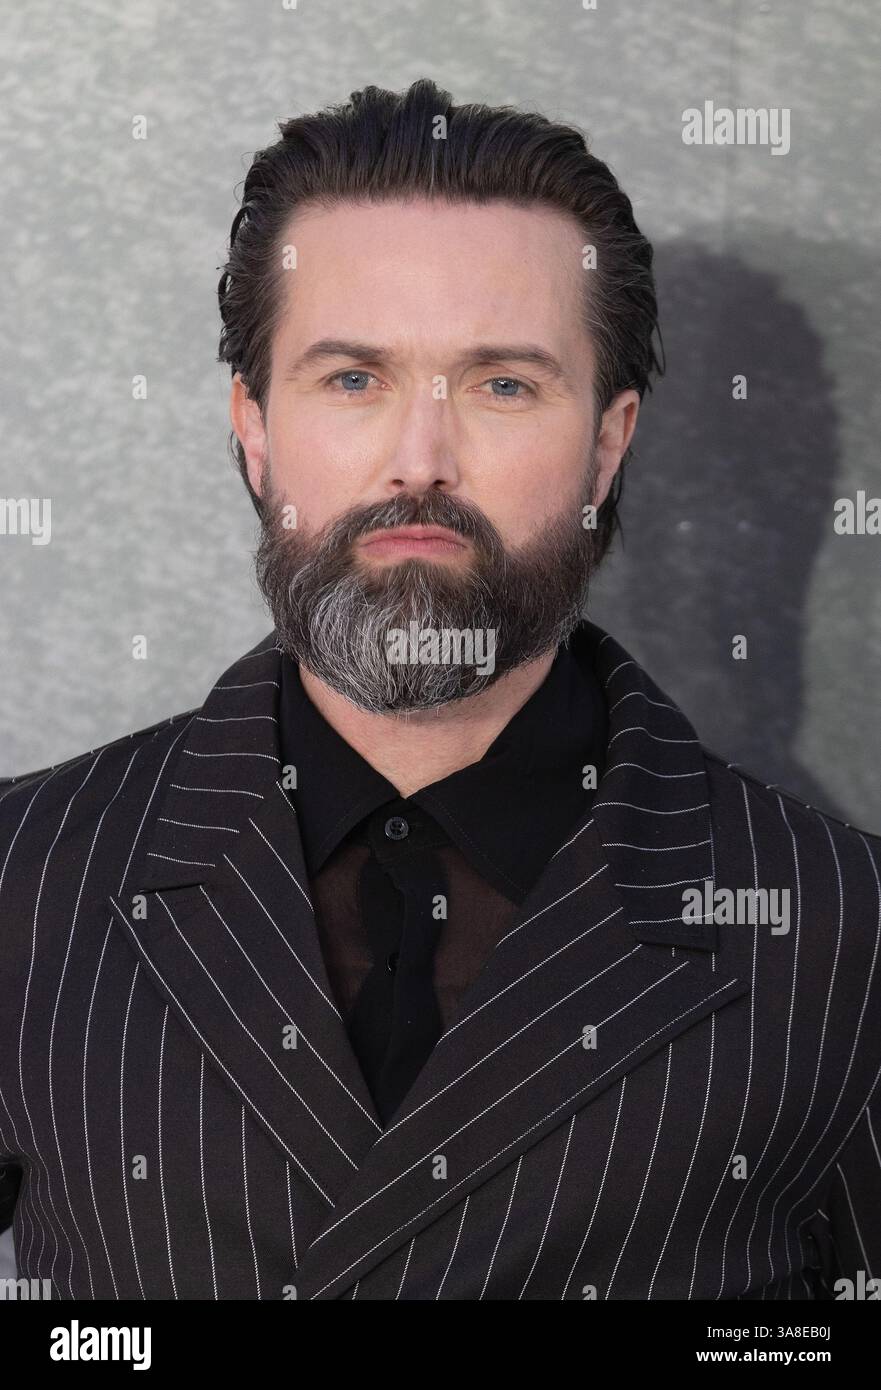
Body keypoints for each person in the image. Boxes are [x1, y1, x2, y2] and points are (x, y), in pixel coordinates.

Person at [1, 79, 879, 1302]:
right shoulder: (24, 878)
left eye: (501, 384)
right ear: (253, 425)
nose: (419, 463)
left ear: (607, 443)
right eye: (352, 379)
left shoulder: (843, 932)